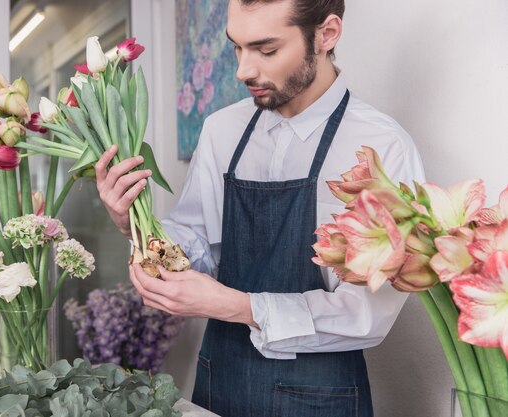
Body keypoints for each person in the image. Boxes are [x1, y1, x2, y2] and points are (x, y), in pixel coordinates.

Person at [95, 0, 425, 416]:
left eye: (266, 50)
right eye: (237, 47)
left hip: (323, 399)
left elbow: (366, 314)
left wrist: (235, 306)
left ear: (326, 35)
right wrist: (134, 227)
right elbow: (190, 249)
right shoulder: (221, 130)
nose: (243, 71)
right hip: (219, 384)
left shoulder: (382, 147)